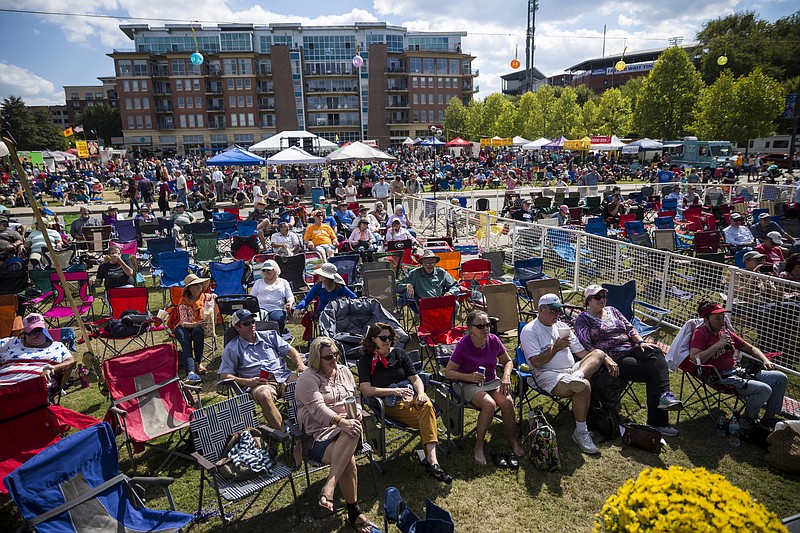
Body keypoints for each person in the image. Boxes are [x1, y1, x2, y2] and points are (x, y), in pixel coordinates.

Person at [295, 336, 379, 533]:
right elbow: (318, 410)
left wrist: (357, 409)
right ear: (316, 359)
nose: (334, 359)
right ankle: (354, 513)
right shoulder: (307, 379)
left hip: (347, 430)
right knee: (349, 452)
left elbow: (356, 397)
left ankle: (330, 484)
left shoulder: (344, 371)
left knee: (352, 430)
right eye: (328, 357)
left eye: (336, 354)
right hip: (317, 435)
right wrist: (342, 421)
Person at [574, 285, 683, 436]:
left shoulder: (613, 310)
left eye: (604, 296)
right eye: (598, 297)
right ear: (588, 301)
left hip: (631, 347)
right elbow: (587, 345)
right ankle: (658, 423)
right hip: (613, 357)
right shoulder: (583, 320)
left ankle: (665, 397)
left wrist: (640, 342)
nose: (602, 300)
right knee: (653, 372)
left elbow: (630, 328)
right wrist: (604, 358)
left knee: (655, 352)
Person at [357, 323, 452, 483]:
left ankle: (432, 461)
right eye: (383, 338)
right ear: (373, 339)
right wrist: (394, 392)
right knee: (428, 415)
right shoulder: (366, 360)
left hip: (412, 396)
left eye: (389, 337)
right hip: (390, 403)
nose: (387, 340)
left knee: (426, 405)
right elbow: (366, 390)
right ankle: (432, 463)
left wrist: (421, 393)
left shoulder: (400, 354)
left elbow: (415, 379)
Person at [520, 294, 610, 455]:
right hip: (547, 375)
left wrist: (605, 358)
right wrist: (556, 347)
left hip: (572, 371)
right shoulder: (530, 331)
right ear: (541, 309)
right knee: (583, 386)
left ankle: (578, 376)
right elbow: (536, 363)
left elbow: (582, 353)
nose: (557, 314)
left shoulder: (562, 326)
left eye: (559, 310)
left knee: (598, 353)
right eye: (553, 310)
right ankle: (581, 432)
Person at [444, 310, 526, 466]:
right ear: (470, 329)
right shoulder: (464, 345)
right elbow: (448, 372)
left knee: (507, 402)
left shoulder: (493, 340)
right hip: (468, 384)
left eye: (488, 324)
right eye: (481, 326)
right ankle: (479, 445)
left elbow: (507, 362)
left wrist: (506, 377)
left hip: (491, 381)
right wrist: (470, 377)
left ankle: (512, 440)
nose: (486, 329)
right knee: (489, 404)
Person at [689, 302, 787, 430]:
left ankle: (768, 418)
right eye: (717, 318)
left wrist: (765, 360)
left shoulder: (726, 332)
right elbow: (695, 358)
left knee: (780, 378)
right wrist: (718, 345)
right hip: (719, 376)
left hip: (737, 371)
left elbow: (750, 348)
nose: (722, 321)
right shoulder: (701, 333)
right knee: (764, 389)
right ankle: (747, 420)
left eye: (723, 317)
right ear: (706, 320)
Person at [218, 309, 306, 430]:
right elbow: (224, 375)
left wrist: (300, 365)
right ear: (237, 327)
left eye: (253, 321)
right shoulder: (232, 348)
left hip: (283, 376)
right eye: (247, 323)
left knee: (307, 382)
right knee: (264, 395)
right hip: (260, 383)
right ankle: (283, 434)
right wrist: (248, 382)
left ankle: (311, 424)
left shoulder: (270, 336)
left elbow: (290, 350)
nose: (252, 325)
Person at [0, 313, 75, 393]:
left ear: (44, 330)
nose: (34, 335)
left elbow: (71, 361)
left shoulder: (57, 346)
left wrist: (53, 368)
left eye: (38, 331)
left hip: (35, 389)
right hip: (3, 387)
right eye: (30, 332)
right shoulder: (10, 343)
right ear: (24, 333)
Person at [174, 274, 215, 384]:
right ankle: (190, 372)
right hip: (184, 326)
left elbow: (213, 297)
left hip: (198, 326)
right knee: (186, 341)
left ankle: (198, 362)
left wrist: (213, 296)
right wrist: (197, 324)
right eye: (196, 284)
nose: (200, 286)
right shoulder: (183, 302)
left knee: (198, 332)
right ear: (190, 288)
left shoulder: (204, 297)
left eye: (200, 284)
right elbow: (183, 323)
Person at [250, 260, 294, 338]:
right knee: (255, 320)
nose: (266, 272)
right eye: (264, 270)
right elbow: (251, 297)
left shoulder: (283, 282)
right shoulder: (258, 282)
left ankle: (276, 338)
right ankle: (259, 338)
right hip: (261, 308)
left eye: (269, 270)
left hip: (277, 308)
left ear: (275, 270)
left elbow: (290, 296)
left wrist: (289, 303)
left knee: (277, 318)